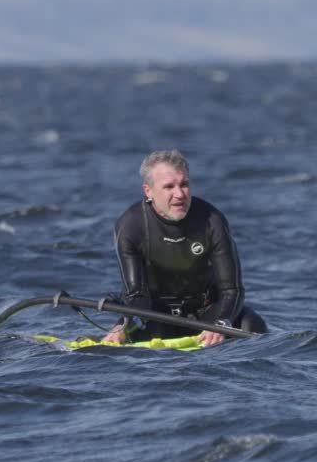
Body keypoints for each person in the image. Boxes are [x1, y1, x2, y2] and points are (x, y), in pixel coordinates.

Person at [102, 149, 266, 347]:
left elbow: (232, 290)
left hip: (207, 313)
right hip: (155, 316)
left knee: (253, 325)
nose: (179, 194)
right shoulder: (131, 226)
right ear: (148, 191)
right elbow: (136, 295)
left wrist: (220, 323)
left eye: (184, 184)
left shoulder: (212, 220)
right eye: (169, 187)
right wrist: (124, 324)